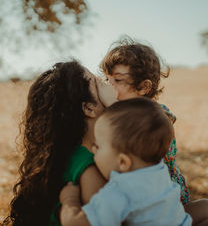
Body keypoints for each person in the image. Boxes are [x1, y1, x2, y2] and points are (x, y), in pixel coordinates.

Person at [98, 37, 208, 225]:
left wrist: (111, 105)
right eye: (107, 79)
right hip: (144, 209)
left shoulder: (159, 117)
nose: (108, 86)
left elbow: (133, 135)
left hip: (160, 203)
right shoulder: (115, 112)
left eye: (117, 80)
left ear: (144, 87)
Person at [4, 61, 116, 226]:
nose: (104, 82)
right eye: (95, 81)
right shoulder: (90, 167)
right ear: (89, 108)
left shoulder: (63, 156)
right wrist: (118, 107)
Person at [59, 97, 192, 226]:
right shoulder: (159, 170)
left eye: (98, 146)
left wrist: (69, 201)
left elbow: (77, 223)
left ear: (123, 162)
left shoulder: (120, 190)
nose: (93, 150)